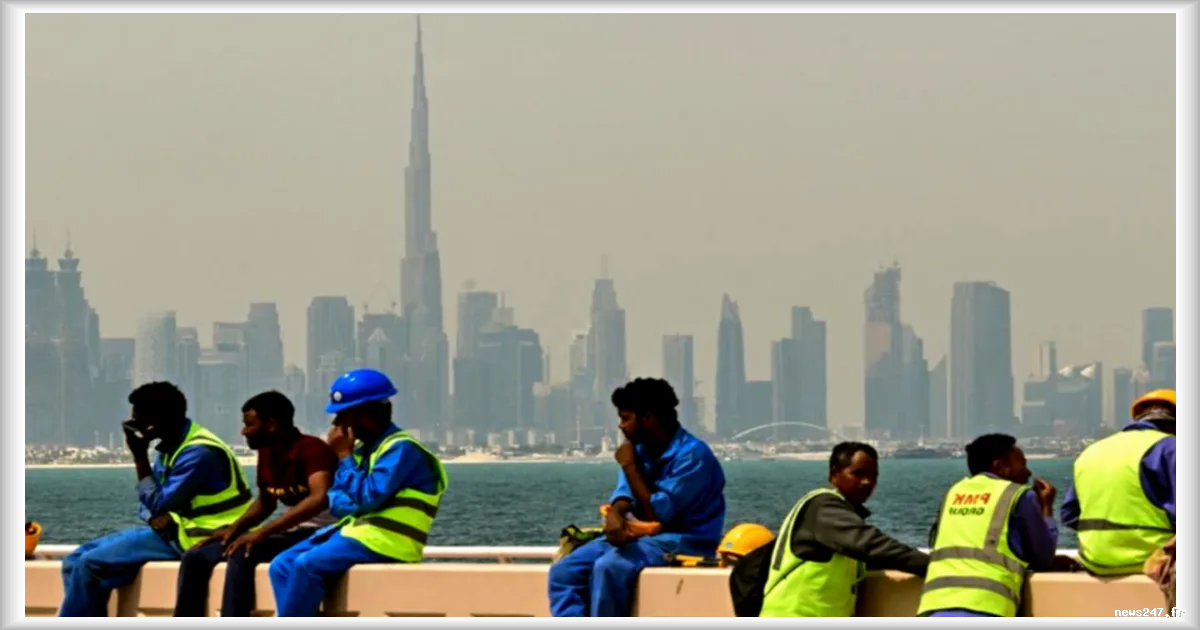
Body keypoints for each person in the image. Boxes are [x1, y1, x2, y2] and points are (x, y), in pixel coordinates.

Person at [59, 382, 253, 618]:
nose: (131, 424)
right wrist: (153, 517)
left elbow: (158, 501)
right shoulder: (172, 447)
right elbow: (149, 501)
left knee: (90, 565)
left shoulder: (199, 453)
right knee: (73, 561)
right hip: (172, 529)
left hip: (198, 537)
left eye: (136, 418)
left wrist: (139, 455)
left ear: (157, 420)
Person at [267, 369, 448, 618]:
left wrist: (344, 457)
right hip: (357, 534)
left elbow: (368, 497)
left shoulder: (401, 449)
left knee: (307, 565)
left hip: (389, 542)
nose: (335, 424)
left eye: (343, 415)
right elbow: (338, 502)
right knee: (281, 566)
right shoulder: (360, 453)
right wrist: (349, 471)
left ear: (367, 416)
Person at [547, 378, 726, 618]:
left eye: (625, 418)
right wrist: (616, 515)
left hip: (682, 540)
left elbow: (659, 512)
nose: (621, 426)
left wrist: (630, 466)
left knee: (609, 568)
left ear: (648, 419)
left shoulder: (693, 456)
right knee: (564, 573)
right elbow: (624, 495)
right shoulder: (638, 448)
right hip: (638, 537)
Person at [174, 391, 338, 617]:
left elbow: (319, 499)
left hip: (322, 532)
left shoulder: (312, 449)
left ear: (271, 424)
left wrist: (262, 533)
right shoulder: (267, 452)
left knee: (243, 553)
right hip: (292, 531)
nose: (243, 431)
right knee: (195, 556)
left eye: (249, 424)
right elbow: (265, 503)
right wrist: (232, 531)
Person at [759, 442, 928, 617]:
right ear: (834, 474)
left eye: (873, 476)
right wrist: (936, 565)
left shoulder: (838, 516)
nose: (867, 482)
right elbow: (872, 545)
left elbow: (875, 555)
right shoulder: (826, 507)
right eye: (858, 474)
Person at [917, 434, 1059, 618]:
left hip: (935, 606)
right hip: (987, 607)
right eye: (1022, 464)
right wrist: (1046, 507)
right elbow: (1044, 558)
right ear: (1000, 467)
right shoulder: (1018, 494)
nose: (1028, 472)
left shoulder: (953, 492)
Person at [1060, 389, 1175, 576]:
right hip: (1154, 562)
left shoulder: (1092, 451)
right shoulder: (1170, 447)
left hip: (1096, 562)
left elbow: (1070, 514)